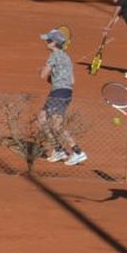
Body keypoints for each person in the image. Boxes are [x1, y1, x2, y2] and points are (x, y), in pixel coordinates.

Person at [37, 28, 87, 167]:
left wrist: (42, 71)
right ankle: (58, 150)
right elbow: (72, 80)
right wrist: (55, 78)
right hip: (65, 92)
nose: (46, 42)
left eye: (48, 40)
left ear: (54, 43)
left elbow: (43, 75)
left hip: (57, 93)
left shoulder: (54, 56)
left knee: (57, 125)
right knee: (42, 118)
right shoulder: (67, 57)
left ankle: (77, 152)